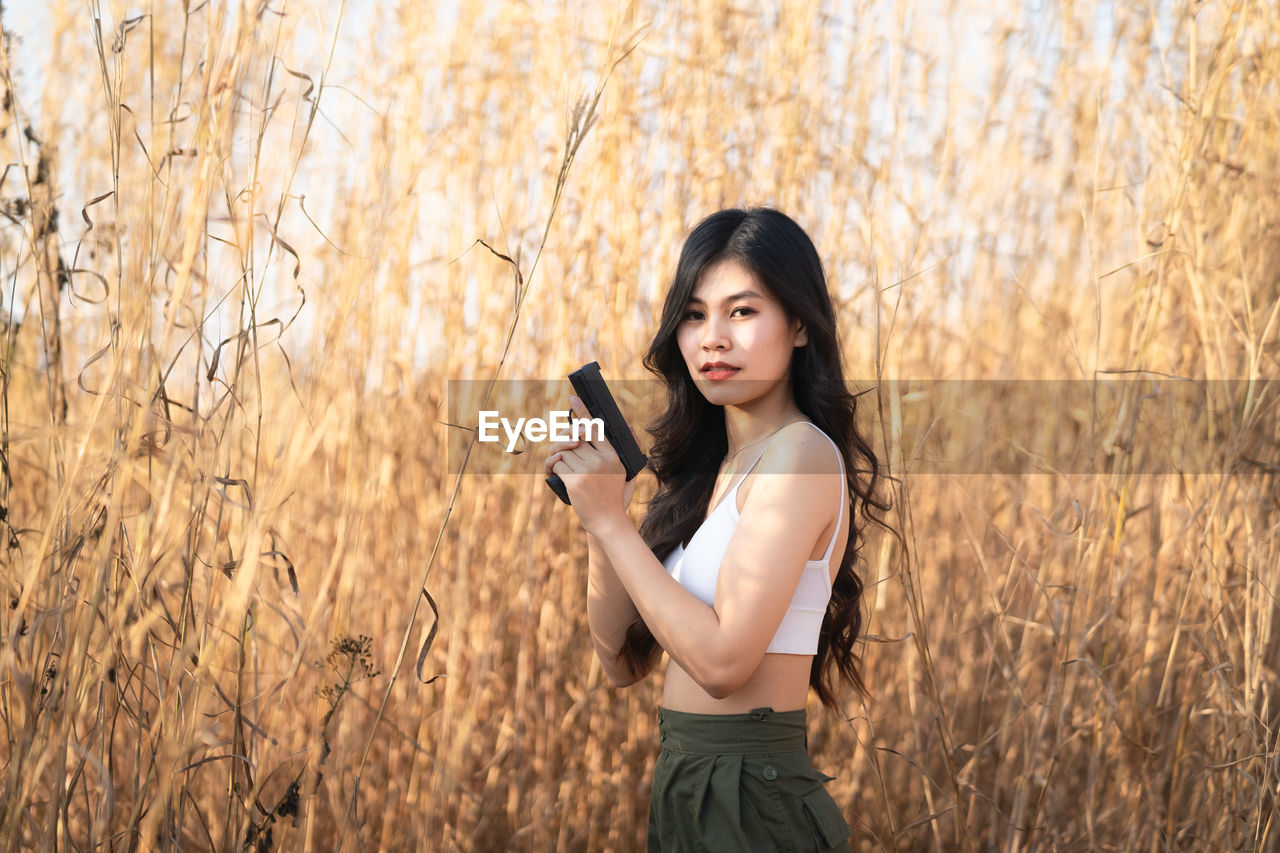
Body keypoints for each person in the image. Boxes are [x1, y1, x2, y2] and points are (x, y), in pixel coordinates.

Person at [543, 208, 891, 852]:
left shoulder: (803, 456)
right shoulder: (716, 473)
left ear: (800, 328)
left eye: (743, 311)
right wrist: (600, 516)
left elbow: (724, 662)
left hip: (749, 791)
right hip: (686, 778)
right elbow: (621, 662)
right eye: (695, 315)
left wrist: (612, 524)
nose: (712, 339)